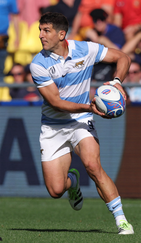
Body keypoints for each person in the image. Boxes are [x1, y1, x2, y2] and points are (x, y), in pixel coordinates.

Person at [30, 12, 134, 234]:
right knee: (56, 190)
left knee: (93, 165)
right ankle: (72, 182)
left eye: (45, 30)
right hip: (53, 126)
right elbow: (57, 102)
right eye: (40, 30)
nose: (40, 35)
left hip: (80, 121)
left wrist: (116, 83)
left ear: (61, 34)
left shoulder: (85, 49)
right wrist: (90, 107)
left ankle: (121, 220)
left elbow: (123, 57)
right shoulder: (38, 64)